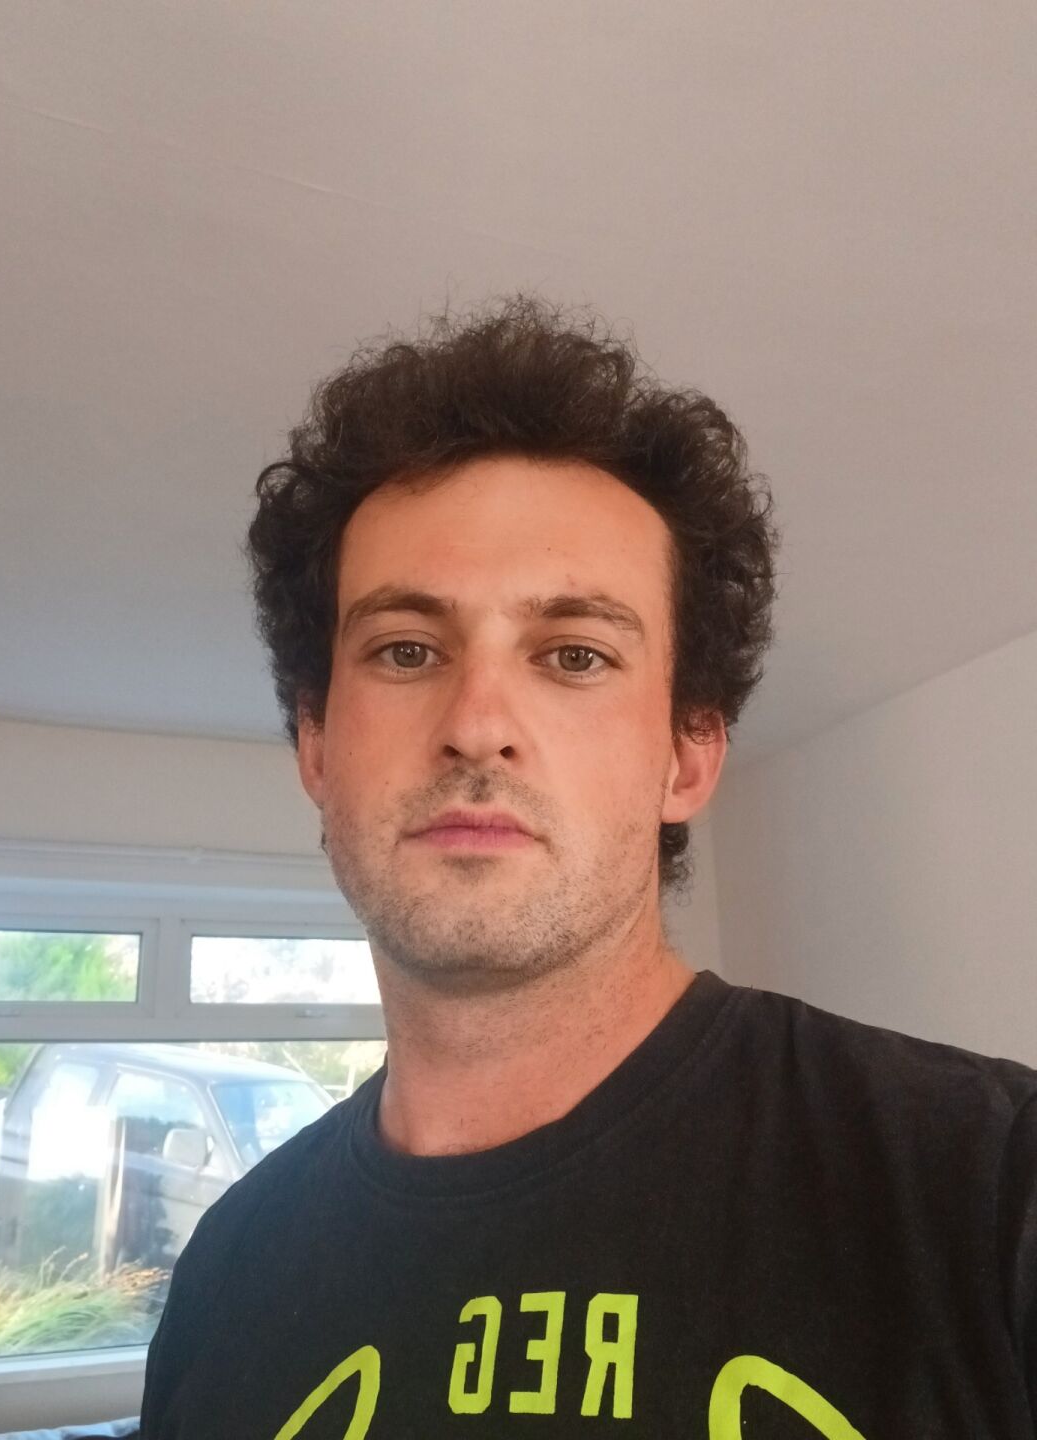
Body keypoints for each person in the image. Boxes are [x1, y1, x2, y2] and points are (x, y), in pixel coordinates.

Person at [140, 295, 1036, 1437]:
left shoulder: (988, 1186)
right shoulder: (226, 1278)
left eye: (573, 655)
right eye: (406, 650)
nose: (477, 726)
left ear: (687, 756)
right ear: (316, 744)